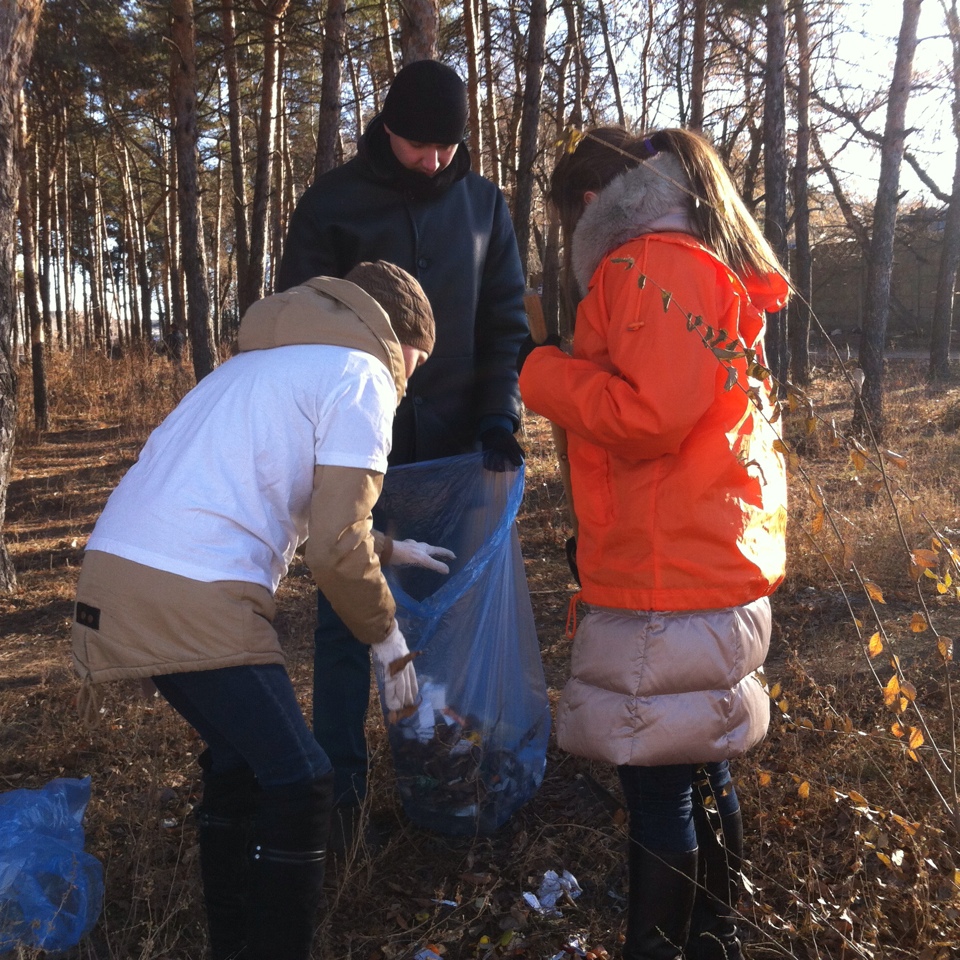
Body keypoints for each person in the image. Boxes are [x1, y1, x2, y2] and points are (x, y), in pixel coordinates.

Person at [71, 262, 455, 960]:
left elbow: (297, 505)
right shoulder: (363, 376)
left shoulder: (264, 368)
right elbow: (334, 552)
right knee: (303, 780)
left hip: (117, 577)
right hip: (194, 587)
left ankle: (234, 942)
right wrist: (389, 641)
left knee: (240, 763)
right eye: (418, 359)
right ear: (398, 337)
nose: (412, 376)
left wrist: (393, 549)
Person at [518, 127, 790, 960]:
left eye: (569, 222)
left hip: (667, 571)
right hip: (699, 558)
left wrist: (539, 368)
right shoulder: (692, 259)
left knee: (657, 779)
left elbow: (649, 417)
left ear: (592, 203)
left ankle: (666, 949)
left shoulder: (649, 264)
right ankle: (714, 941)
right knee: (698, 768)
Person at [276, 58, 529, 845]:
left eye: (449, 148)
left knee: (452, 610)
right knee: (351, 618)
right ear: (389, 129)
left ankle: (454, 765)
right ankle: (343, 789)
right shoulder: (332, 207)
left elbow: (505, 324)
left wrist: (498, 415)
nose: (436, 161)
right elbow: (297, 333)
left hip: (458, 449)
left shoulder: (484, 207)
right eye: (421, 147)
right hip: (357, 452)